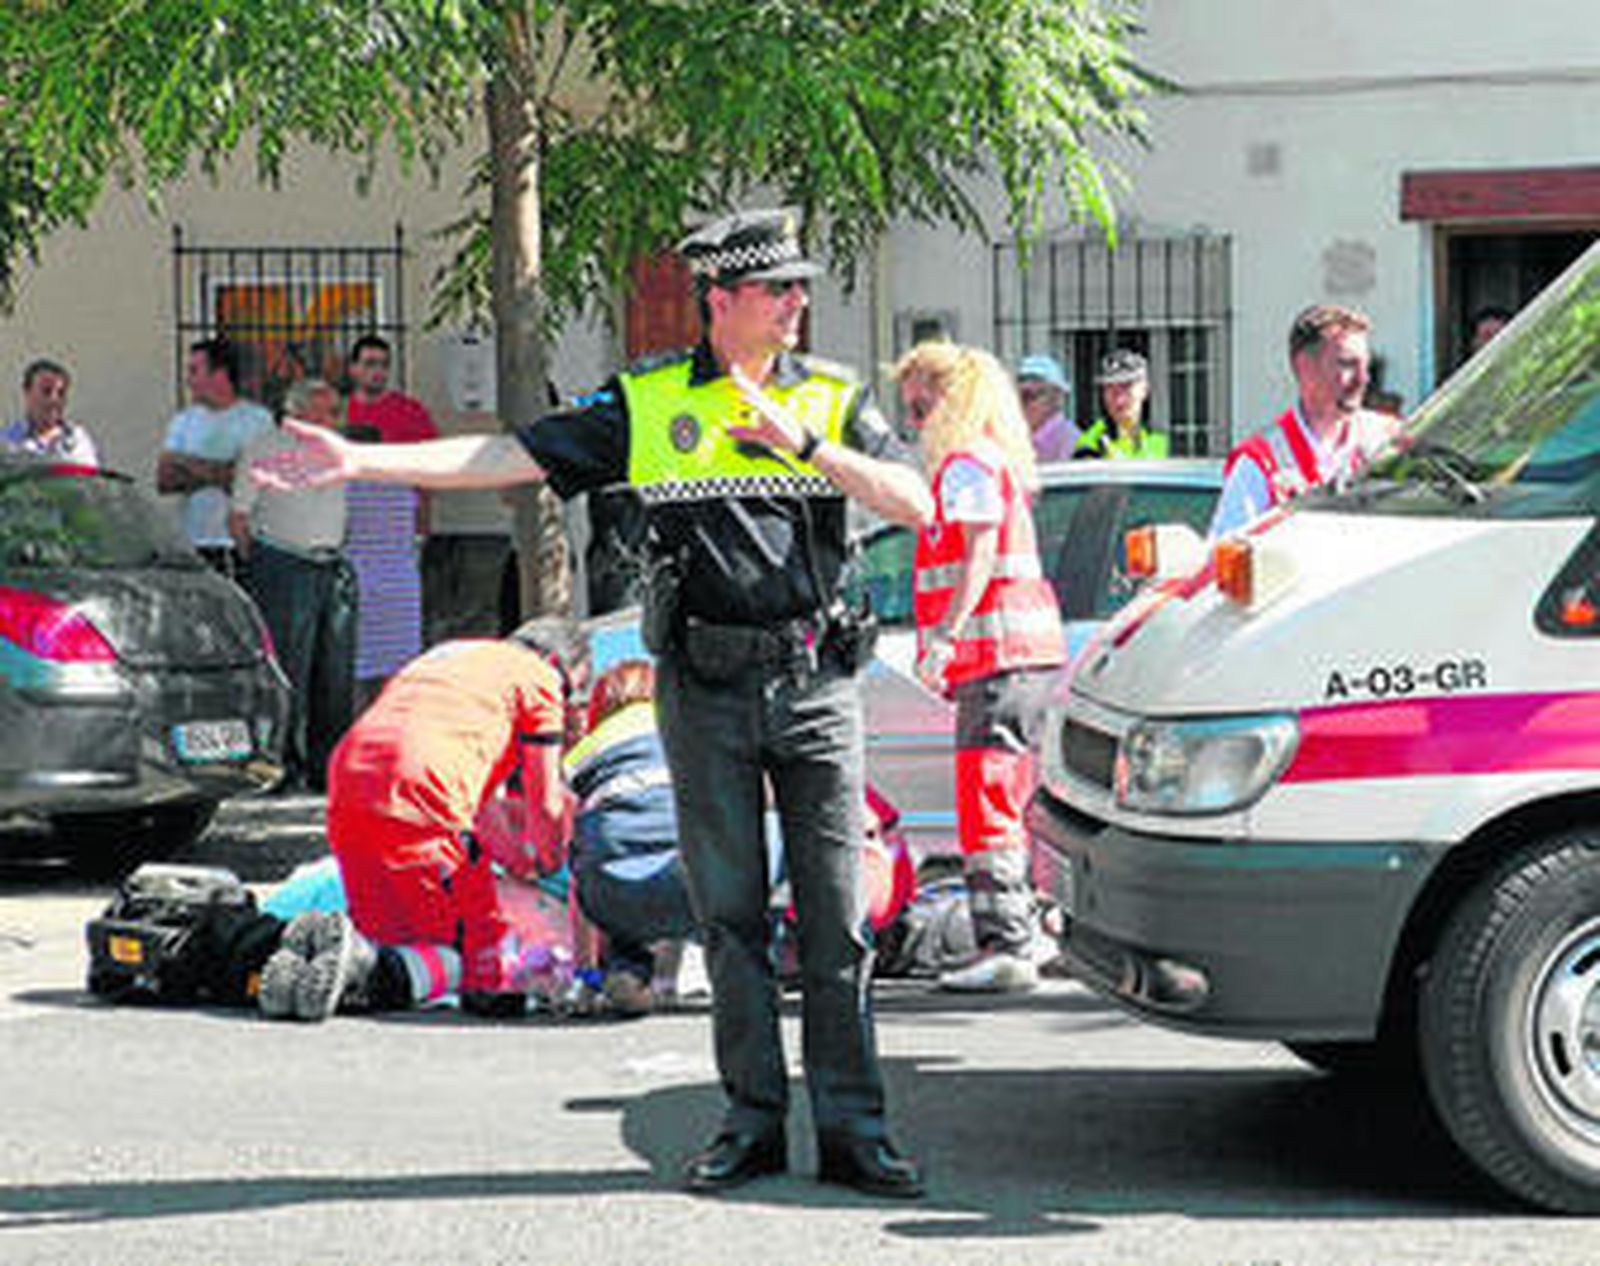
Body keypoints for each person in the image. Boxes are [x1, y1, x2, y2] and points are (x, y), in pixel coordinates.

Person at [253, 207, 933, 1199]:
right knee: (730, 921)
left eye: (800, 286)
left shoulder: (829, 394)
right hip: (703, 687)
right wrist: (362, 462)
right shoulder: (648, 400)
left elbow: (913, 501)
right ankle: (750, 1125)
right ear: (721, 299)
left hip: (814, 686)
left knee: (835, 925)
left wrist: (804, 444)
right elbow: (509, 456)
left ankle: (855, 1134)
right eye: (776, 288)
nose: (797, 302)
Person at [893, 342, 1066, 993]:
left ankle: (1005, 943)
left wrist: (943, 636)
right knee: (1015, 797)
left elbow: (978, 557)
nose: (913, 424)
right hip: (1023, 656)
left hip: (996, 656)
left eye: (919, 408)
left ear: (951, 401)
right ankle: (1030, 929)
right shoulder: (995, 460)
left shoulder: (966, 464)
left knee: (987, 798)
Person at [324, 620, 588, 1015]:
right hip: (424, 795)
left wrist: (518, 861)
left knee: (396, 944)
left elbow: (482, 809)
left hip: (349, 787)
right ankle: (362, 970)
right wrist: (549, 864)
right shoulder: (539, 678)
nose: (566, 706)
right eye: (570, 691)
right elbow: (545, 802)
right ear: (553, 662)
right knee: (481, 963)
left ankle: (346, 963)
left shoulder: (451, 658)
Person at [230, 378, 356, 792]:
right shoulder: (265, 447)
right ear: (302, 412)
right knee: (288, 674)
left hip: (329, 564)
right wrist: (262, 565)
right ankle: (281, 767)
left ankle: (326, 770)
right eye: (329, 410)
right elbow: (239, 517)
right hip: (284, 563)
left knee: (334, 676)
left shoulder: (336, 450)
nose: (336, 418)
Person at [1209, 304, 1400, 539]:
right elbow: (1225, 551)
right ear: (1304, 367)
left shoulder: (1387, 440)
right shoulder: (1262, 463)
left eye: (1366, 365)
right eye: (1347, 364)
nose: (1363, 379)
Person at [156, 337, 274, 577]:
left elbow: (247, 481)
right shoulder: (184, 422)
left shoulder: (257, 420)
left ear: (219, 374)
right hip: (195, 544)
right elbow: (165, 481)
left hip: (240, 544)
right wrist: (222, 471)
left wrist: (186, 462)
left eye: (194, 371)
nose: (188, 380)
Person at [3, 358, 98, 466]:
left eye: (61, 393)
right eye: (46, 391)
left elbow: (89, 474)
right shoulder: (6, 442)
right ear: (27, 393)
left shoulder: (78, 439)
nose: (54, 400)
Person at [1075, 349, 1168, 459]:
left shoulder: (1161, 438)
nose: (1119, 400)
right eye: (1110, 389)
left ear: (1144, 390)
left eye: (1126, 387)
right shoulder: (1092, 442)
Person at [1015, 353, 1079, 463]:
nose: (1025, 404)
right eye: (1021, 396)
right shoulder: (1015, 437)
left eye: (1033, 395)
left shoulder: (1069, 441)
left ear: (1057, 398)